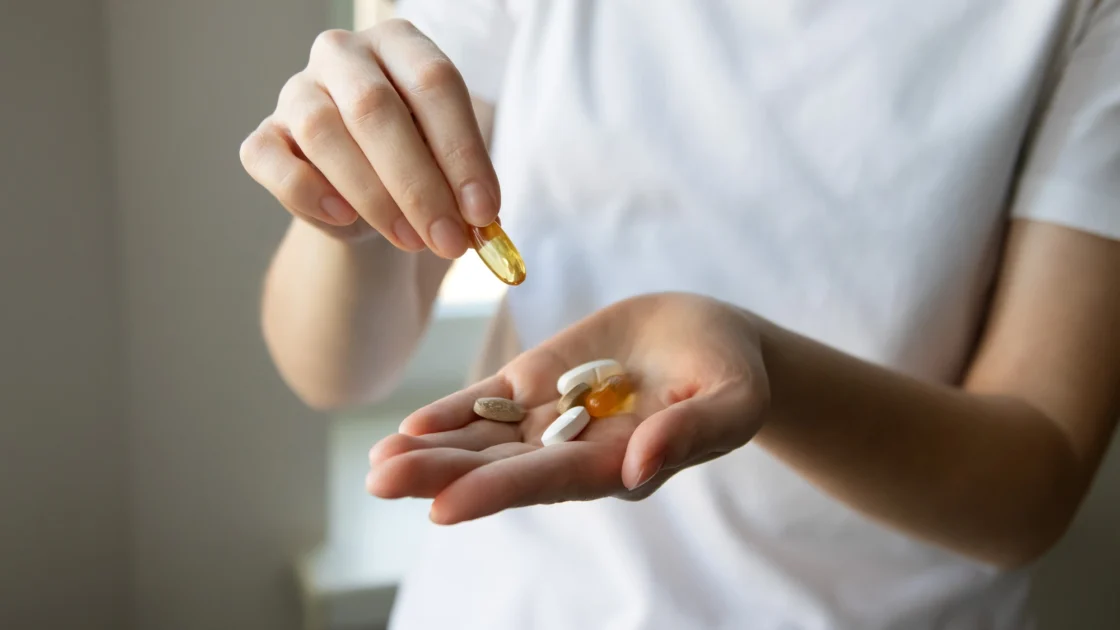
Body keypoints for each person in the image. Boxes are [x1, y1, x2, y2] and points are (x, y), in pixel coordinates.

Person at [239, 1, 1120, 628]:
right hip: (510, 601)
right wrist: (354, 212)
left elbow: (1031, 490)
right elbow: (333, 369)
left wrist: (767, 371)